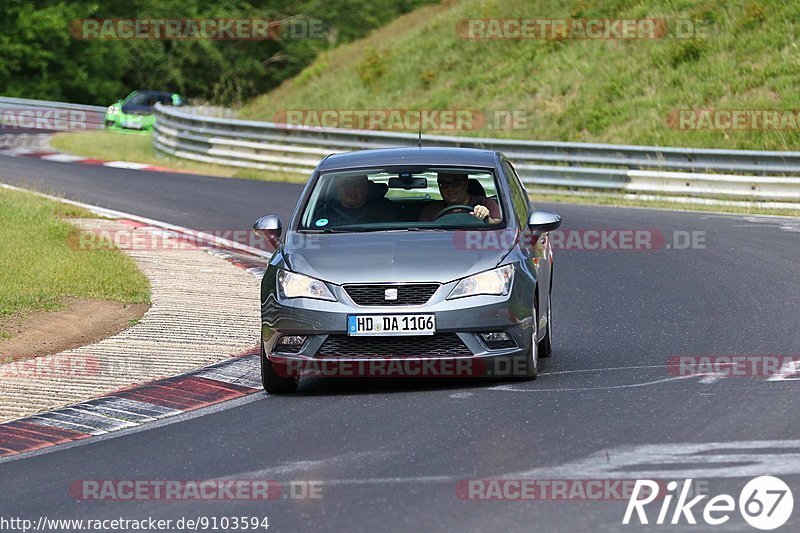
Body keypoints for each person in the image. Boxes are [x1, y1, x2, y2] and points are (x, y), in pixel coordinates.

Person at [314, 174, 397, 226]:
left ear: (366, 188)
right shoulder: (323, 213)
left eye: (357, 184)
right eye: (346, 184)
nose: (352, 189)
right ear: (337, 189)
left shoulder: (384, 209)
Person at [419, 172, 502, 224]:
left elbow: (500, 228)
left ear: (466, 184)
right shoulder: (430, 211)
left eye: (455, 183)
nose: (450, 188)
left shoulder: (487, 204)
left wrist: (486, 218)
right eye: (444, 184)